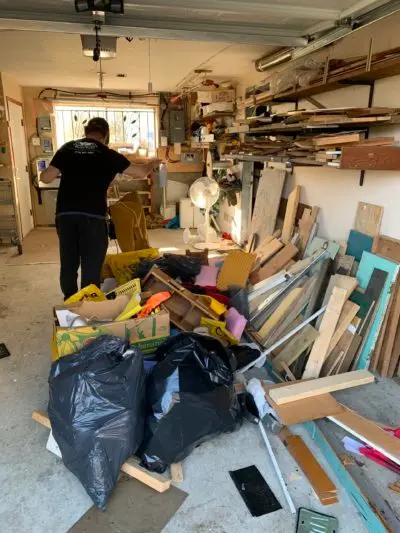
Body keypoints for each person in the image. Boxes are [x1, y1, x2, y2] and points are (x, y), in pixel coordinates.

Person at [40, 117, 156, 300]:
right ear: (106, 135)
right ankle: (89, 305)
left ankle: (70, 301)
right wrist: (153, 164)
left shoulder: (67, 148)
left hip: (66, 216)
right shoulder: (107, 154)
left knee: (68, 263)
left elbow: (46, 178)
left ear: (86, 132)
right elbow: (141, 172)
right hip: (93, 217)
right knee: (91, 266)